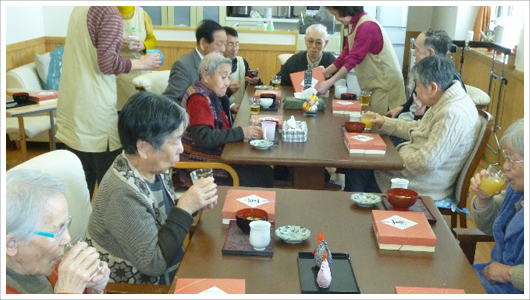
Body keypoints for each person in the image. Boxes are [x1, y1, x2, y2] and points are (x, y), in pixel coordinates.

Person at [86, 92, 218, 285]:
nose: (181, 148)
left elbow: (161, 218)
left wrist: (195, 203)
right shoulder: (122, 194)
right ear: (144, 148)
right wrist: (186, 208)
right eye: (174, 141)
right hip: (134, 288)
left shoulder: (153, 166)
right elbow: (154, 264)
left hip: (172, 265)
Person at [56, 6, 162, 199]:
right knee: (112, 189)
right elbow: (107, 64)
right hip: (95, 111)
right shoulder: (109, 12)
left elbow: (90, 44)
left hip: (74, 106)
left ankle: (78, 228)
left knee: (78, 190)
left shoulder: (80, 8)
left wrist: (113, 41)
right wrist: (143, 63)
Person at [342, 56, 480, 202]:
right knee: (358, 164)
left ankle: (355, 214)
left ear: (433, 88)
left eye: (418, 85)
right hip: (413, 171)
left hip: (422, 184)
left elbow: (425, 162)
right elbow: (419, 127)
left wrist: (389, 158)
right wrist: (384, 122)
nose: (416, 90)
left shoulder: (451, 114)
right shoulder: (446, 98)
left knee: (357, 168)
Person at [6, 169, 110, 294]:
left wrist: (94, 290)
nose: (67, 239)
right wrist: (67, 292)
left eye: (66, 225)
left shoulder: (48, 262)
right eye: (58, 231)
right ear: (11, 244)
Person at [180, 52, 274, 188]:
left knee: (264, 171)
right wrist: (243, 133)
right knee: (262, 175)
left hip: (217, 156)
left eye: (229, 77)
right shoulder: (198, 98)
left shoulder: (209, 92)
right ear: (205, 76)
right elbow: (203, 138)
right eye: (223, 77)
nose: (227, 83)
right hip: (201, 166)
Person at [469, 119, 524, 294]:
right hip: (493, 278)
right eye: (505, 158)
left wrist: (509, 273)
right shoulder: (518, 191)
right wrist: (483, 200)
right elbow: (491, 228)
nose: (505, 166)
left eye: (511, 159)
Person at [317, 7, 405, 115]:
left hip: (385, 84)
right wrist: (324, 73)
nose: (336, 19)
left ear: (344, 9)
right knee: (371, 120)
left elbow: (353, 59)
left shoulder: (366, 26)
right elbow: (345, 55)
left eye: (335, 14)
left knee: (379, 124)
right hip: (373, 83)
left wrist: (329, 82)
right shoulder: (352, 24)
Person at [385, 29, 466, 146]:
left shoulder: (445, 80)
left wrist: (418, 115)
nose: (413, 53)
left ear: (429, 52)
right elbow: (415, 100)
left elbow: (429, 125)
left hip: (413, 134)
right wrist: (401, 107)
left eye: (417, 49)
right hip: (407, 123)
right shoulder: (426, 71)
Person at [163, 20, 227, 106]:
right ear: (203, 43)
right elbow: (170, 101)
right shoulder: (183, 66)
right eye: (219, 44)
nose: (223, 49)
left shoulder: (216, 62)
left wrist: (231, 105)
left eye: (225, 44)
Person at [116, 6, 157, 111]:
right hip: (117, 71)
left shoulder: (141, 14)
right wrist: (115, 43)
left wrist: (143, 45)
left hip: (140, 69)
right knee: (121, 110)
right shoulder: (108, 13)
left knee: (141, 109)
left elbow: (152, 39)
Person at [223, 26, 262, 106]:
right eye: (230, 44)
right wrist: (228, 91)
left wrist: (255, 81)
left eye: (237, 44)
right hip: (224, 115)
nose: (234, 49)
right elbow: (212, 99)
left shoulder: (242, 62)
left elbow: (257, 89)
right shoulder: (214, 67)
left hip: (241, 111)